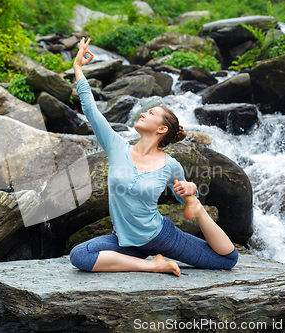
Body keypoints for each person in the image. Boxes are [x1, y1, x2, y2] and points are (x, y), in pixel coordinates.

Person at [69, 37, 238, 277]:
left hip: (161, 236)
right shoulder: (117, 147)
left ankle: (199, 213)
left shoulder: (171, 165)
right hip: (124, 242)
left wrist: (192, 195)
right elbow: (90, 110)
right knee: (80, 256)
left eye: (151, 113)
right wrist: (78, 67)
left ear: (161, 129)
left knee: (227, 260)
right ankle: (153, 265)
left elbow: (184, 198)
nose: (143, 113)